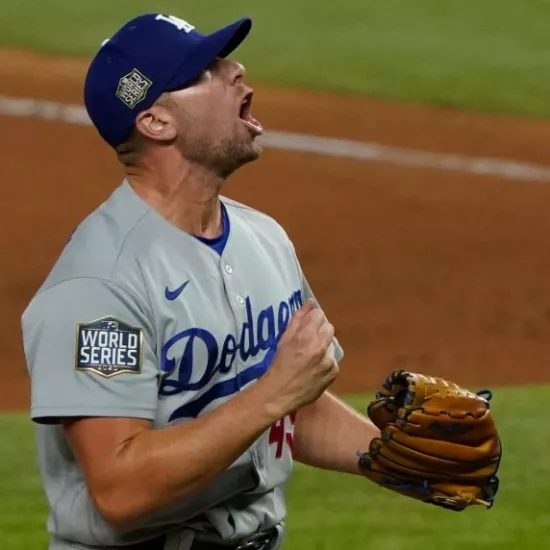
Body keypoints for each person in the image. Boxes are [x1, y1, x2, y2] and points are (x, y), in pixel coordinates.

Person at [21, 12, 380, 550]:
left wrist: (397, 457)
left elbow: (293, 406)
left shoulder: (264, 238)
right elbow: (119, 490)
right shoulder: (98, 285)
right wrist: (271, 394)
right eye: (204, 70)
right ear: (157, 122)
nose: (234, 69)